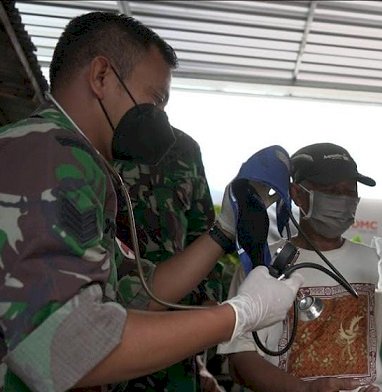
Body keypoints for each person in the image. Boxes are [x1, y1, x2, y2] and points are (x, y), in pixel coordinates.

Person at [0, 12, 302, 391]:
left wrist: (223, 229)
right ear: (101, 77)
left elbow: (141, 292)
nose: (160, 118)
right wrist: (238, 315)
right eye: (154, 100)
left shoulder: (68, 156)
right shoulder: (54, 156)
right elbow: (67, 351)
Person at [220, 143, 382, 392]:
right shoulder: (261, 265)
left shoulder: (377, 265)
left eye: (349, 192)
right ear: (297, 194)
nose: (343, 200)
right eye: (331, 191)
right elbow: (240, 360)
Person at [112, 127, 223, 390]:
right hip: (116, 323)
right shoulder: (101, 141)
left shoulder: (184, 149)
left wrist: (208, 299)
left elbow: (203, 231)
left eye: (163, 97)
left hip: (178, 335)